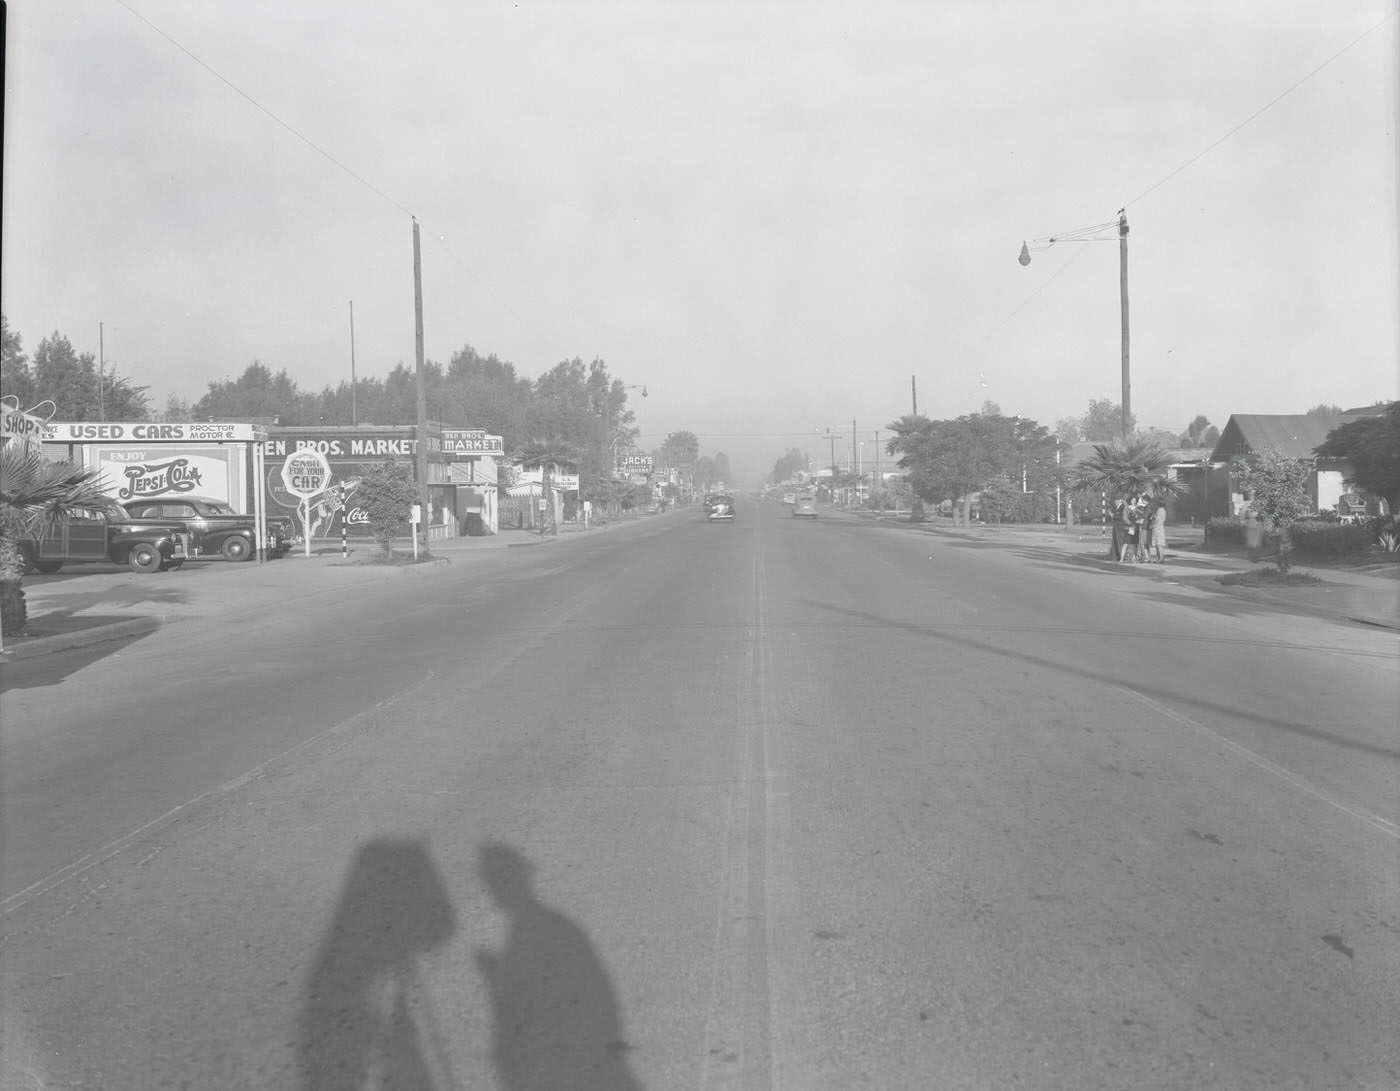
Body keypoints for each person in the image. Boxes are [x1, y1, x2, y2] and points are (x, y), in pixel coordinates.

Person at [1149, 498, 1168, 563]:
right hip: (1159, 527)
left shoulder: (1160, 510)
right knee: (1158, 543)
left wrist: (1152, 522)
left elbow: (1156, 519)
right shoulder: (1162, 510)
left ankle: (1161, 558)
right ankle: (1159, 557)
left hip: (1158, 528)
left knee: (1159, 544)